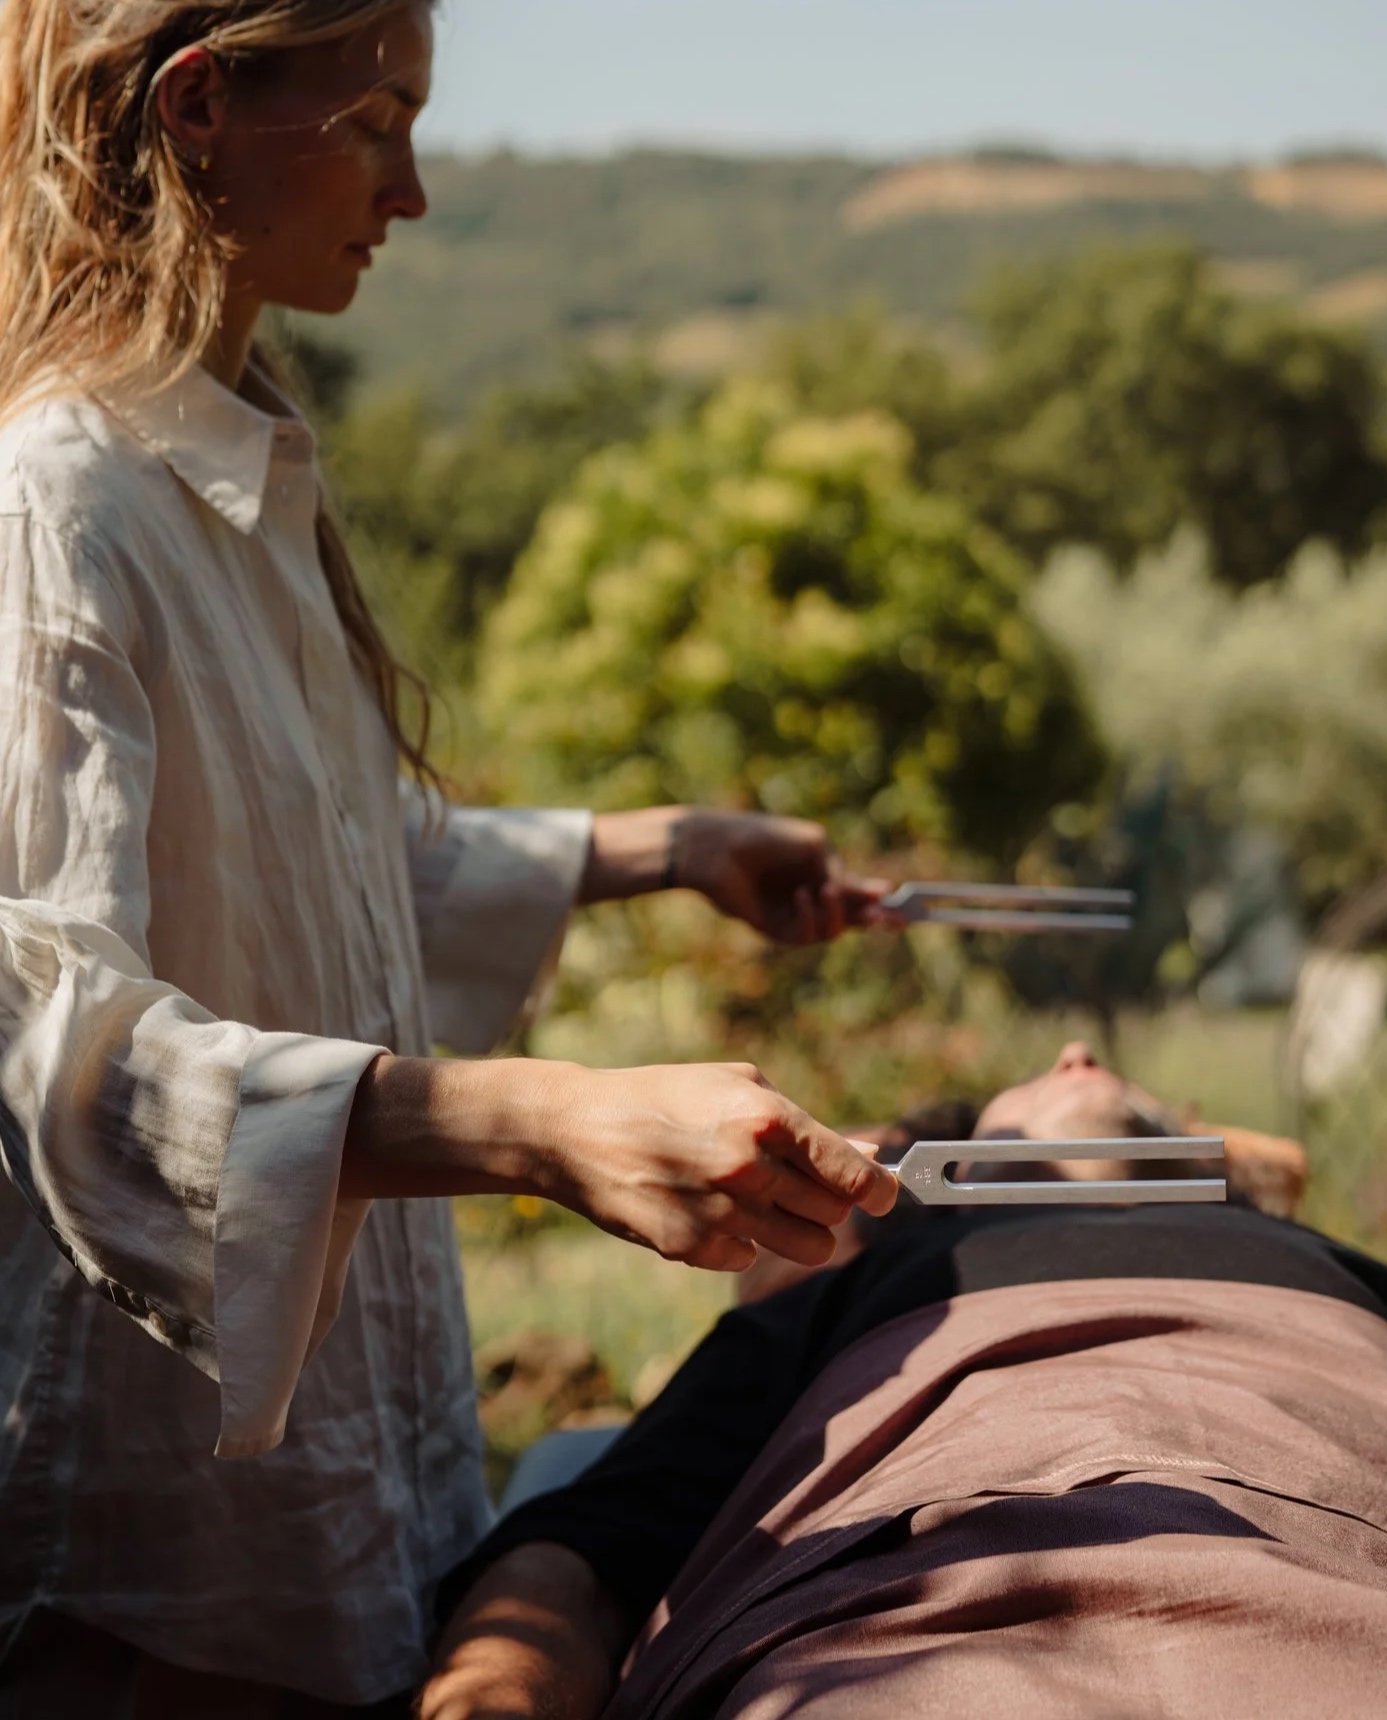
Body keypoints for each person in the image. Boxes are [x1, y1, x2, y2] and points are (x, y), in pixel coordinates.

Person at [0, 4, 896, 1713]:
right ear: (198, 104)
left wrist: (670, 850)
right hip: (147, 1576)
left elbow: (332, 878)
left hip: (329, 1507)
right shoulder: (57, 507)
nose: (408, 189)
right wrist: (543, 1125)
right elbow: (56, 1050)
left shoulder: (225, 474)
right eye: (375, 118)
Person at [423, 1042, 1387, 1719]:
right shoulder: (864, 1283)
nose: (1078, 1049)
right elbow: (584, 1550)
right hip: (909, 1636)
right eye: (1034, 1078)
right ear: (958, 1160)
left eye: (1134, 1092)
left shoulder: (1338, 1269)